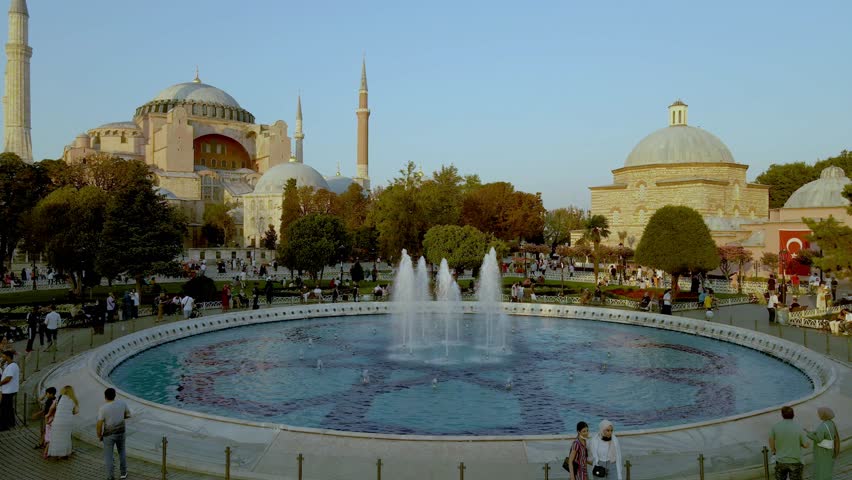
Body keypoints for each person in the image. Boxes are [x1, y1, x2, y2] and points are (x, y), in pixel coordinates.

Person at [98, 387, 131, 480]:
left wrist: (99, 435)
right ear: (115, 395)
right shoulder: (122, 403)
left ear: (105, 397)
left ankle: (110, 477)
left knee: (109, 456)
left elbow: (99, 424)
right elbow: (128, 415)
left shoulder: (103, 408)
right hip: (121, 432)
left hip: (108, 435)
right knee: (122, 452)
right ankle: (123, 473)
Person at [769, 406, 808, 480]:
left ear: (782, 415)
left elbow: (771, 440)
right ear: (793, 414)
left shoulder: (776, 426)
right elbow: (805, 445)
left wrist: (774, 450)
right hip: (795, 461)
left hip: (780, 460)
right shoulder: (798, 427)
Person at [805, 407, 839, 480]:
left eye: (819, 414)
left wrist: (809, 434)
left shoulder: (823, 426)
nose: (818, 415)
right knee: (827, 467)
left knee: (820, 468)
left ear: (823, 415)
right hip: (829, 450)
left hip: (822, 451)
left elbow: (818, 439)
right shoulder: (831, 423)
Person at [46, 385, 79, 458]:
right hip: (67, 421)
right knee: (66, 437)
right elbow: (76, 411)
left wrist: (48, 415)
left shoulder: (59, 398)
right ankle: (64, 453)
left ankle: (55, 453)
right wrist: (69, 412)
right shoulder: (73, 399)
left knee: (56, 436)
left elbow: (52, 408)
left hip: (58, 420)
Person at [33, 386, 57, 452]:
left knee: (45, 431)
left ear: (51, 394)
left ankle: (42, 444)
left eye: (47, 394)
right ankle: (42, 443)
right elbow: (39, 400)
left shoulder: (53, 401)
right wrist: (44, 395)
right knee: (44, 431)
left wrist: (37, 414)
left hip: (49, 418)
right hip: (46, 417)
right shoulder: (49, 399)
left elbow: (47, 410)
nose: (46, 395)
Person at [0, 350, 19, 431]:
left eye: (3, 357)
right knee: (9, 408)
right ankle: (11, 422)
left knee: (4, 409)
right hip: (9, 390)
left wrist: (0, 383)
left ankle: (4, 426)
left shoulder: (12, 366)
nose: (2, 358)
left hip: (8, 391)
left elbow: (8, 378)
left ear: (8, 357)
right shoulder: (11, 365)